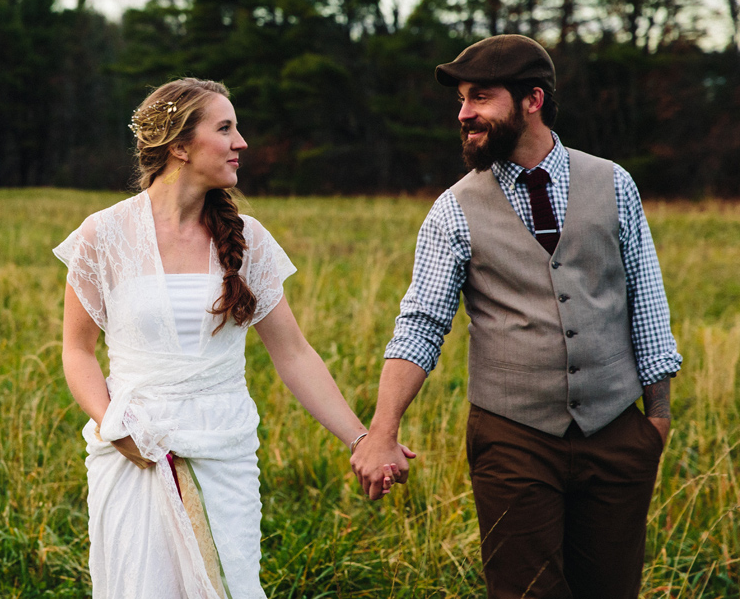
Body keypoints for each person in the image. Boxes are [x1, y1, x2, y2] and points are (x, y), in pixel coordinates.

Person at [350, 35, 682, 598]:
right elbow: (422, 323)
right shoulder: (453, 209)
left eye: (479, 97)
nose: (464, 114)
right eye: (461, 100)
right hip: (513, 439)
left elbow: (647, 301)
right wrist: (382, 431)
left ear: (532, 99)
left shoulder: (614, 183)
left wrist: (657, 419)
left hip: (617, 434)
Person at [56, 77, 411, 599]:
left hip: (224, 450)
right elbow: (77, 350)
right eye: (225, 129)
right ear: (179, 145)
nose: (241, 142)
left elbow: (293, 353)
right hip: (134, 451)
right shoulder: (102, 235)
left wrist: (363, 438)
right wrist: (115, 426)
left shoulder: (248, 238)